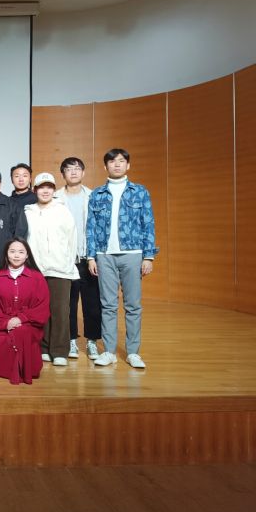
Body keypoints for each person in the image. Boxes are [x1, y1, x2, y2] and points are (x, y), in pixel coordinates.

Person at [87, 148, 158, 369]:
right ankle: (109, 351)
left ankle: (133, 353)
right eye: (112, 161)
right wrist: (91, 257)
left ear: (128, 165)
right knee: (108, 305)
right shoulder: (97, 194)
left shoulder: (140, 192)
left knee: (133, 305)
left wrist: (148, 256)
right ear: (105, 166)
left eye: (121, 161)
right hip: (104, 255)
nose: (117, 164)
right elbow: (90, 227)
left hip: (133, 254)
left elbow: (148, 223)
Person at [24, 172, 79, 366]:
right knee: (41, 310)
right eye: (41, 187)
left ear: (53, 190)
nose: (45, 191)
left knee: (60, 310)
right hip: (36, 269)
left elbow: (72, 238)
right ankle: (44, 347)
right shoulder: (28, 212)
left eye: (49, 187)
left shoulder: (62, 211)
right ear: (35, 190)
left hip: (60, 268)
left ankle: (60, 350)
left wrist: (67, 262)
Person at [55, 157, 101, 359]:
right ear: (62, 174)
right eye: (68, 169)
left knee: (93, 303)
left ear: (83, 172)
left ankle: (92, 342)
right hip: (66, 259)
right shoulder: (55, 197)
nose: (73, 172)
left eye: (77, 168)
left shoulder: (94, 196)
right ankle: (71, 340)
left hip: (89, 258)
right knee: (68, 303)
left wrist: (95, 256)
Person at [0, 239, 50, 385]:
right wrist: (6, 322)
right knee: (14, 334)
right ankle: (17, 371)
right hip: (4, 326)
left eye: (21, 252)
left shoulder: (37, 277)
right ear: (6, 254)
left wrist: (21, 319)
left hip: (30, 325)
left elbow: (42, 307)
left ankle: (25, 371)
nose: (16, 255)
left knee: (22, 331)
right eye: (12, 251)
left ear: (27, 255)